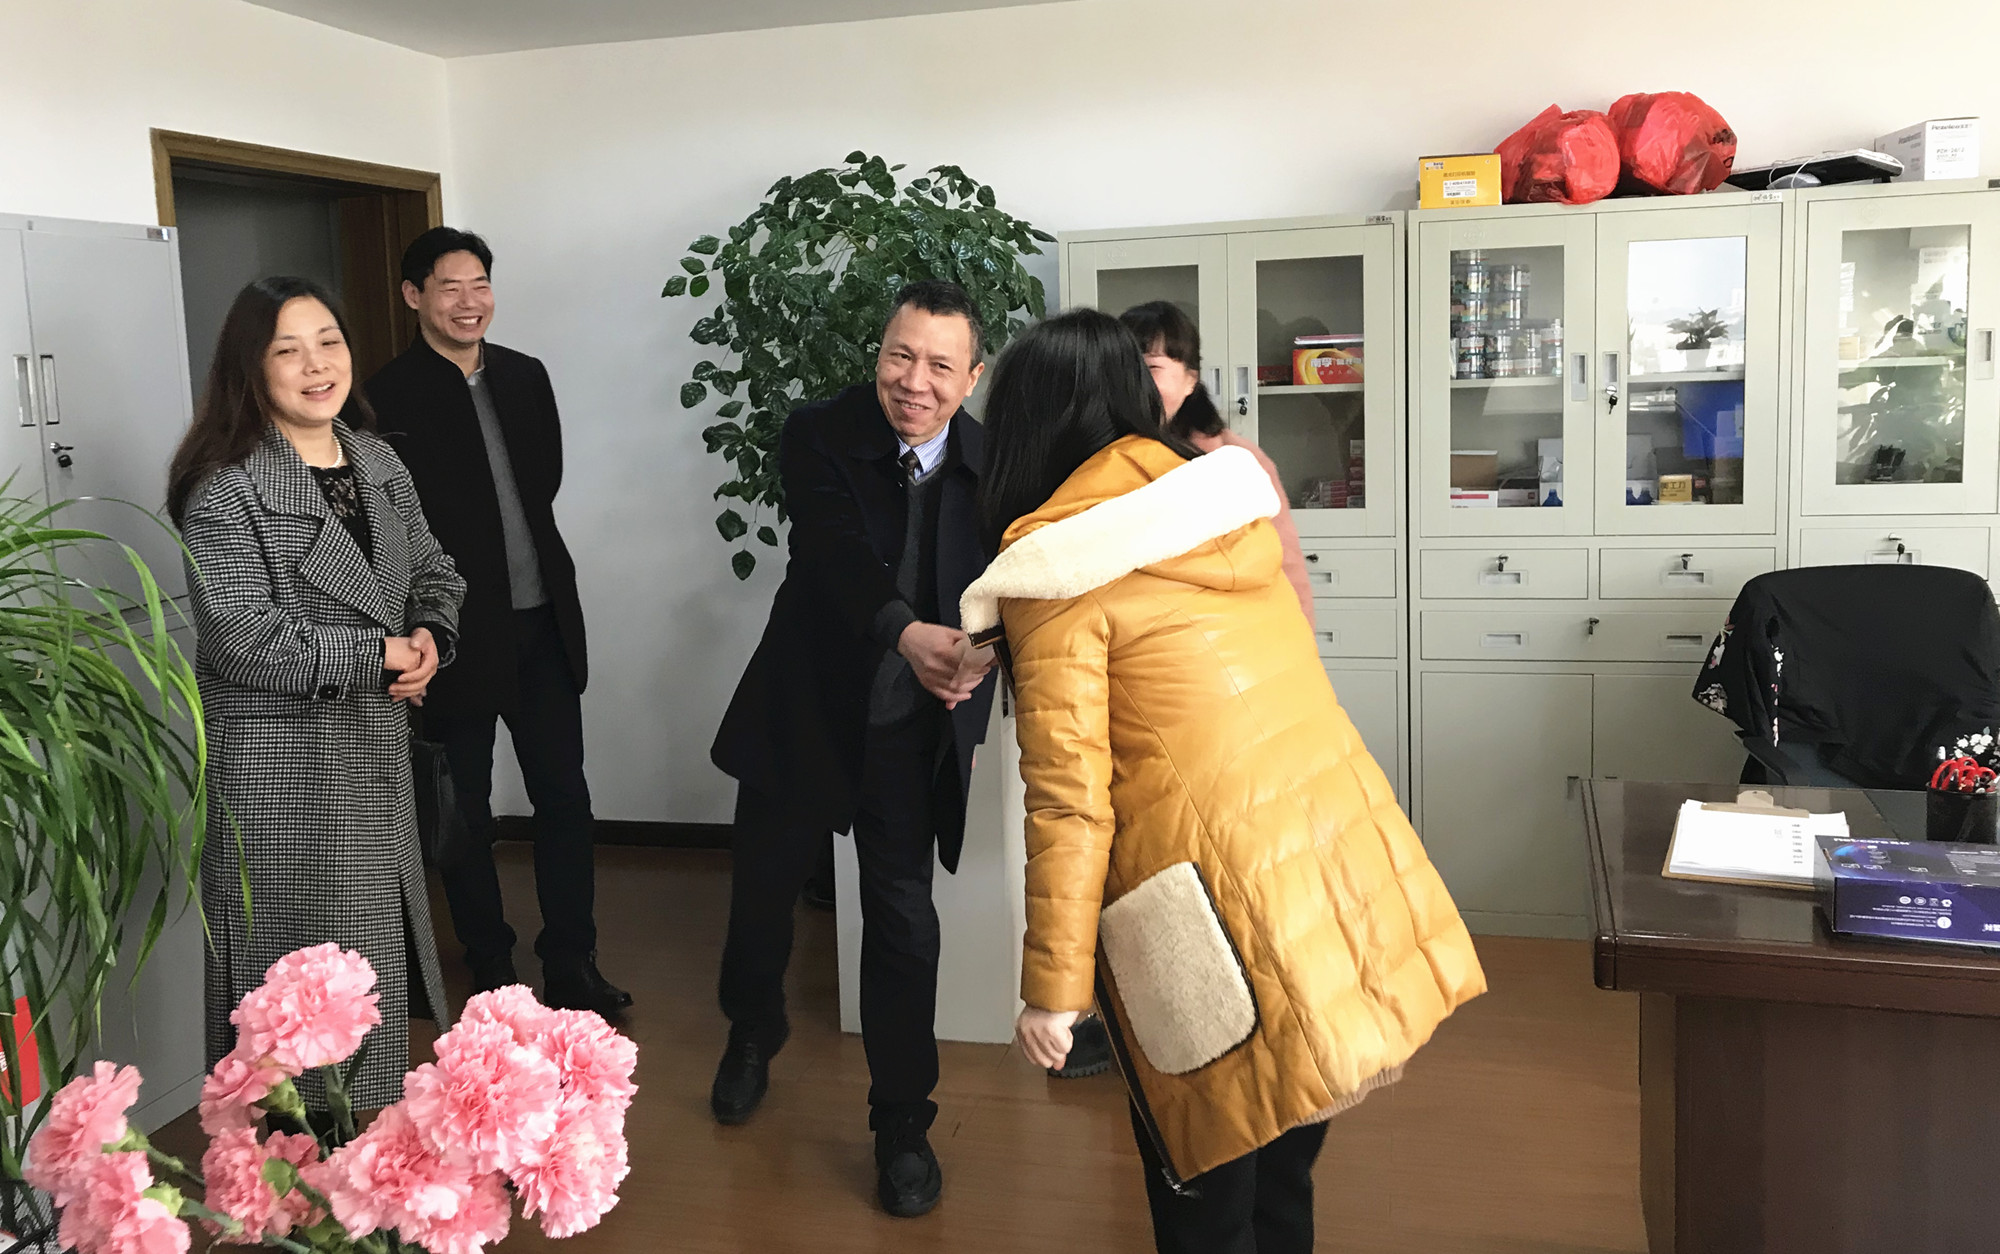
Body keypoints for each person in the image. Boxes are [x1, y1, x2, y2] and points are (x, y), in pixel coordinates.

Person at [961, 310, 1486, 1253]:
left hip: (1205, 925)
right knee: (1285, 1167)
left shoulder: (1060, 569)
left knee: (1205, 1190)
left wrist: (1053, 990)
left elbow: (1072, 805)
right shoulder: (1222, 510)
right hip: (1325, 873)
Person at [708, 280, 1000, 1218]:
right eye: (898, 356)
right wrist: (908, 633)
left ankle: (903, 1123)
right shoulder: (819, 432)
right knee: (762, 894)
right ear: (878, 353)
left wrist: (984, 654)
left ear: (972, 377)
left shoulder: (996, 464)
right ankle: (753, 1030)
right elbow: (831, 553)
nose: (914, 381)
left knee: (904, 924)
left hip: (910, 734)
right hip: (806, 709)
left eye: (939, 365)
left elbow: (1016, 583)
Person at [168, 276, 466, 1112]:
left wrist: (430, 638)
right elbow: (243, 639)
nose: (316, 365)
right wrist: (380, 654)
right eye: (288, 350)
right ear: (251, 367)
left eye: (329, 342)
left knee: (371, 988)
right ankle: (306, 1173)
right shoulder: (226, 486)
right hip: (283, 781)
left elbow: (436, 570)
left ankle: (367, 1167)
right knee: (295, 1016)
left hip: (372, 758)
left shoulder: (376, 459)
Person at [367, 227, 629, 1021]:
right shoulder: (384, 397)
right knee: (466, 813)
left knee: (565, 799)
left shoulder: (524, 376)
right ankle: (489, 963)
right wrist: (413, 633)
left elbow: (542, 483)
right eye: (449, 286)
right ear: (413, 295)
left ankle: (572, 961)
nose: (468, 301)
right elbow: (385, 531)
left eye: (479, 284)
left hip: (542, 620)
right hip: (452, 635)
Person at [1119, 301, 1314, 621]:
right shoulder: (1099, 457)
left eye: (1151, 368)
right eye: (1123, 368)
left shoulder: (1235, 461)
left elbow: (1285, 568)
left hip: (1224, 634)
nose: (1134, 382)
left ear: (1190, 380)